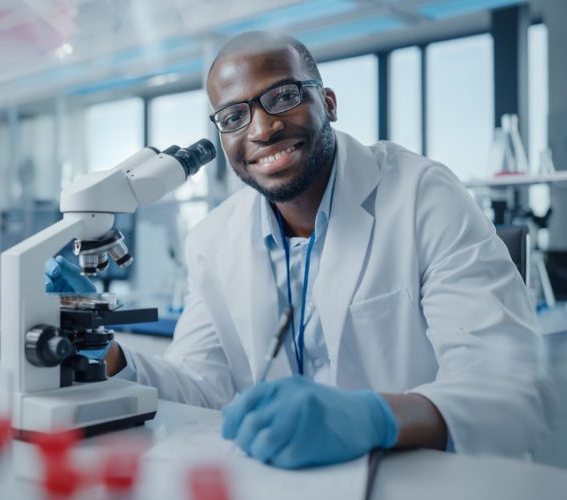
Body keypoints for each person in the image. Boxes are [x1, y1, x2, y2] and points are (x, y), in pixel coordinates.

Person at [46, 31, 554, 469]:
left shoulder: (423, 195)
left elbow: (510, 389)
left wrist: (374, 418)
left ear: (328, 102)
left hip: (410, 479)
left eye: (283, 96)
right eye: (233, 116)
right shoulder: (213, 239)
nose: (262, 129)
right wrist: (108, 354)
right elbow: (203, 389)